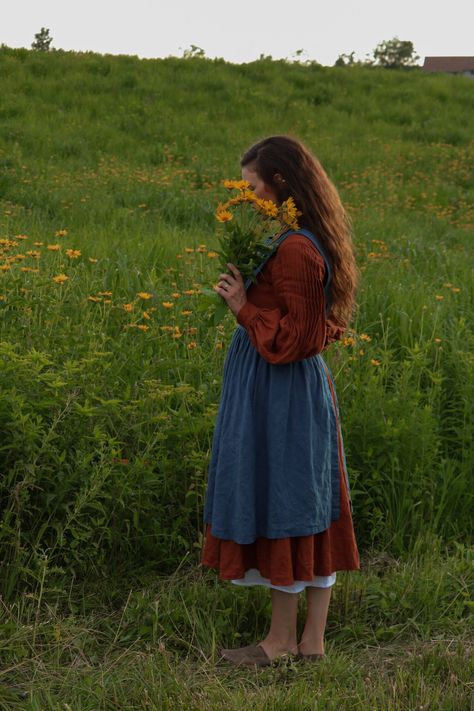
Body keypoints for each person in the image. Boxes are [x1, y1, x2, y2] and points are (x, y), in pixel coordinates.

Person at [200, 135, 360, 668]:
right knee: (307, 505)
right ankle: (308, 643)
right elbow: (316, 326)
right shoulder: (298, 239)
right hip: (286, 390)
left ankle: (280, 643)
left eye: (252, 188)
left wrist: (243, 307)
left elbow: (298, 340)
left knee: (289, 505)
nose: (247, 197)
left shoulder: (296, 248)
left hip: (283, 391)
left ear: (282, 185)